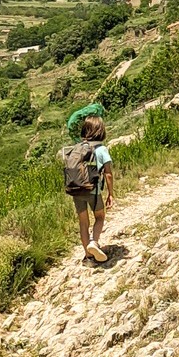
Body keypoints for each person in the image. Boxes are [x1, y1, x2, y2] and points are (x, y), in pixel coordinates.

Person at [63, 110, 113, 263]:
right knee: (99, 217)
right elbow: (108, 174)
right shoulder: (101, 149)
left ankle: (88, 256)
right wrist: (111, 194)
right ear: (101, 131)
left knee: (83, 223)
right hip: (93, 191)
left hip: (76, 190)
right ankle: (94, 242)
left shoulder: (77, 148)